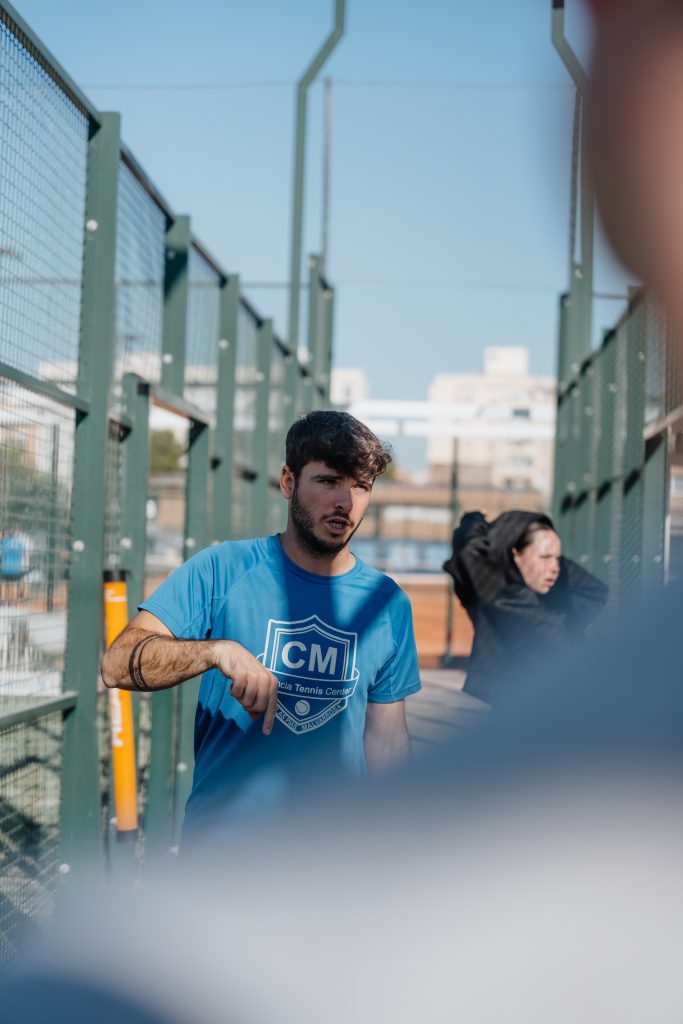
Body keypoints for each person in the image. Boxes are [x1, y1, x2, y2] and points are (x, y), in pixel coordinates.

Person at [101, 410, 421, 846]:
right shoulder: (222, 569)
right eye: (328, 481)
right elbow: (118, 664)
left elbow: (387, 743)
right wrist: (217, 652)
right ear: (288, 482)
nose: (345, 502)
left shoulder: (387, 602)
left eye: (360, 486)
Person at [442, 509, 607, 705]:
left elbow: (470, 544)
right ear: (515, 555)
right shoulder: (500, 593)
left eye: (558, 559)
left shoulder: (488, 580)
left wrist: (474, 520)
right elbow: (472, 552)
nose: (555, 568)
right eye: (545, 557)